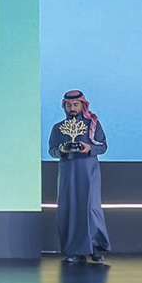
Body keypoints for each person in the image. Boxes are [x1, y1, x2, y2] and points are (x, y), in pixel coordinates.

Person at [50, 89, 110, 265]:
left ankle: (96, 249)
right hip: (68, 171)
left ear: (82, 105)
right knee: (70, 208)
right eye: (68, 105)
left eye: (75, 104)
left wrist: (89, 148)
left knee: (91, 208)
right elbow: (52, 150)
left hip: (88, 171)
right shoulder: (58, 128)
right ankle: (74, 251)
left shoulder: (93, 125)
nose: (72, 108)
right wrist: (62, 149)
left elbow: (103, 146)